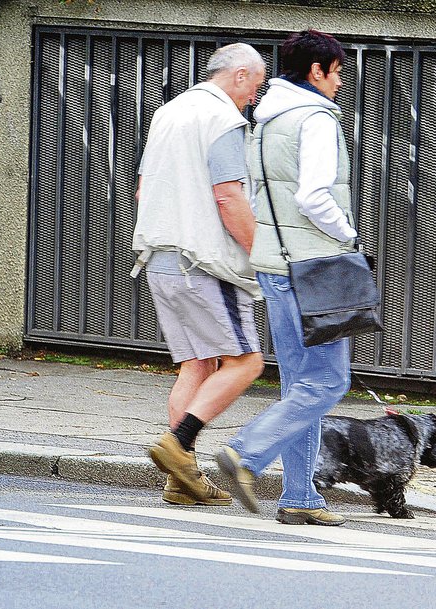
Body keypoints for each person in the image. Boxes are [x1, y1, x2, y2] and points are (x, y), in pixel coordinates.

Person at [214, 30, 356, 526]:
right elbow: (315, 196)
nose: (340, 82)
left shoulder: (263, 120)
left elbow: (257, 197)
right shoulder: (315, 119)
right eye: (337, 72)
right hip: (313, 265)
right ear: (317, 70)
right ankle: (245, 454)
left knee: (301, 385)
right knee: (331, 380)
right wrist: (351, 235)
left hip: (275, 264)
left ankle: (300, 496)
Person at [133, 43, 267, 506]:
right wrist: (264, 254)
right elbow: (229, 198)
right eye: (256, 84)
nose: (256, 95)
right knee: (247, 361)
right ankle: (179, 443)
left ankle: (180, 480)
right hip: (204, 262)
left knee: (197, 364)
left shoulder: (168, 113)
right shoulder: (222, 119)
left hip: (160, 256)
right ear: (239, 75)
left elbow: (145, 185)